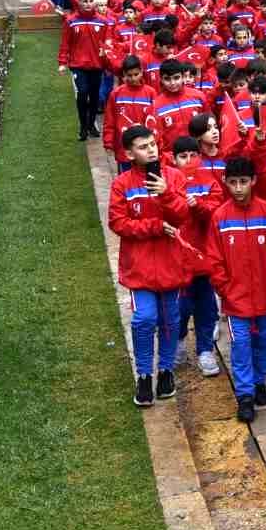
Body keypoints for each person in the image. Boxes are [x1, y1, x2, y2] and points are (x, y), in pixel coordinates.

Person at [108, 125, 194, 407]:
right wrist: (154, 226)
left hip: (171, 265)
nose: (151, 150)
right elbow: (118, 223)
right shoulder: (122, 184)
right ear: (129, 153)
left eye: (153, 144)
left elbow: (182, 216)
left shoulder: (174, 177)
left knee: (170, 321)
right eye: (143, 147)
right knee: (144, 319)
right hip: (139, 268)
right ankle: (144, 374)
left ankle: (165, 370)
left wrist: (167, 194)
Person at [203, 156, 266, 422]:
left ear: (253, 181)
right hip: (235, 300)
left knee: (265, 342)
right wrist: (224, 287)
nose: (239, 188)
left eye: (243, 182)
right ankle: (244, 395)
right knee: (240, 344)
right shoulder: (220, 217)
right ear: (225, 183)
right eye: (233, 183)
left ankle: (259, 381)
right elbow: (213, 257)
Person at [59, 0, 111, 141]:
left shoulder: (103, 21)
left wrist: (107, 64)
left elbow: (107, 46)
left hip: (97, 65)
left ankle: (91, 124)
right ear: (79, 2)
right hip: (78, 65)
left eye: (90, 1)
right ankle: (82, 126)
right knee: (82, 93)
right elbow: (65, 44)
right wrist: (62, 62)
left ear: (93, 2)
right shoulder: (71, 21)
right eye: (84, 1)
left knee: (94, 96)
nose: (87, 4)